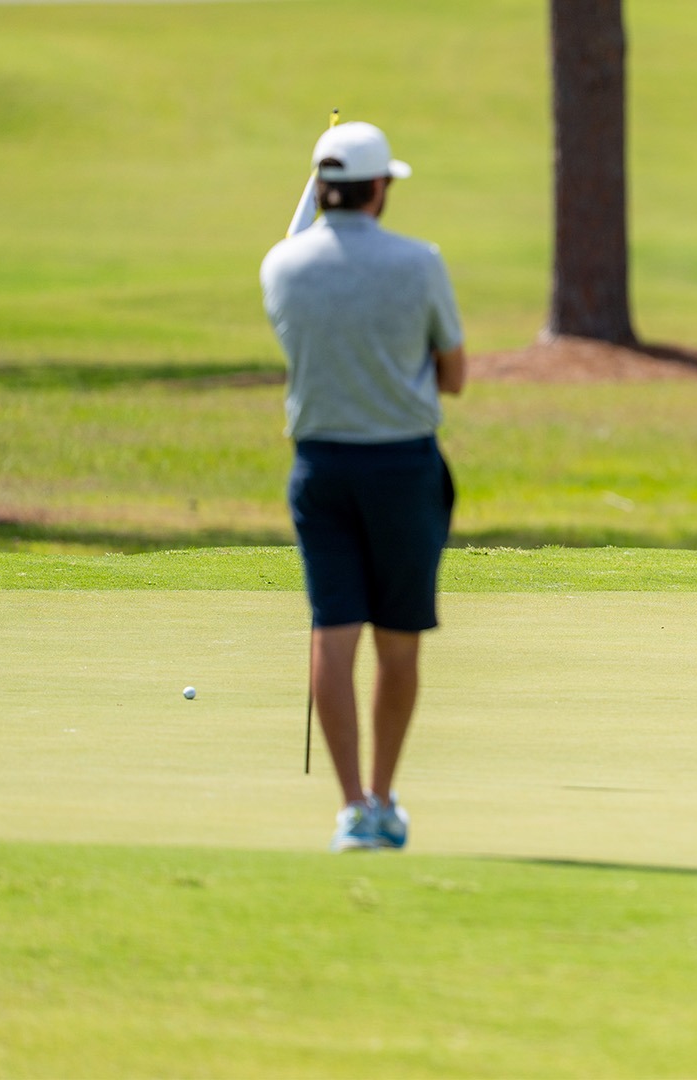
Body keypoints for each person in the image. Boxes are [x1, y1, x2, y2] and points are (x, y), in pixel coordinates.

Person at [260, 121, 466, 850]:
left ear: (321, 190)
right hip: (403, 467)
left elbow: (293, 274)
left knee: (334, 626)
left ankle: (352, 809)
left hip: (320, 469)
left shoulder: (281, 268)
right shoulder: (420, 262)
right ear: (380, 189)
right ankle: (383, 797)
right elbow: (456, 375)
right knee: (398, 637)